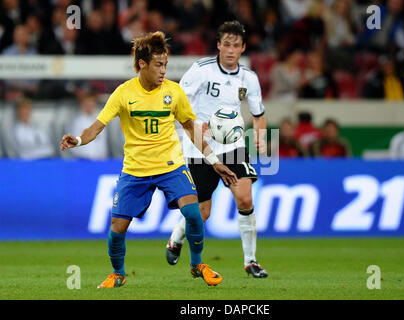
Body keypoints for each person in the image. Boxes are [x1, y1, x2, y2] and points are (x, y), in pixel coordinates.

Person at [60, 31, 237, 288]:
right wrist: (77, 139)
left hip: (171, 165)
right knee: (117, 227)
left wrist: (214, 160)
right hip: (136, 169)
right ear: (142, 64)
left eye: (165, 64)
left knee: (194, 213)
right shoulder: (123, 93)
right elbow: (96, 127)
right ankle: (117, 273)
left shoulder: (174, 92)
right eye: (158, 65)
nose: (164, 70)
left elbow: (190, 128)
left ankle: (197, 264)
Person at [166, 21, 269, 278]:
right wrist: (199, 126)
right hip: (199, 147)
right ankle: (176, 239)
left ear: (243, 47)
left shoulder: (249, 78)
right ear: (218, 45)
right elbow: (177, 103)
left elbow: (258, 113)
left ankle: (251, 261)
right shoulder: (201, 70)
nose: (231, 50)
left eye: (236, 45)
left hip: (233, 146)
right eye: (226, 44)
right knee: (201, 212)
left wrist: (260, 135)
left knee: (245, 198)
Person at [66, 92, 109, 159]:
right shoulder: (76, 122)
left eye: (92, 104)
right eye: (87, 104)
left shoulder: (100, 121)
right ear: (82, 105)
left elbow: (102, 141)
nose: (90, 107)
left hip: (99, 159)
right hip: (82, 159)